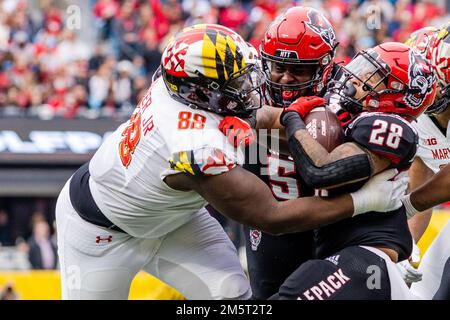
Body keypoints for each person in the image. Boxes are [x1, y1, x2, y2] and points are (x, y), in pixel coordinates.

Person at [55, 24, 407, 300]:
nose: (248, 85)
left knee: (232, 295)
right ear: (201, 93)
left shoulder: (179, 85)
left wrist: (290, 120)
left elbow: (259, 116)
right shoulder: (193, 145)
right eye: (235, 82)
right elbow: (272, 217)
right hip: (100, 233)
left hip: (175, 220)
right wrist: (363, 201)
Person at [273, 42, 437, 299]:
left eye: (372, 76)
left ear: (399, 95)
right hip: (344, 254)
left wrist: (292, 118)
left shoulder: (391, 125)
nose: (357, 78)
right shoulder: (354, 116)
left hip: (364, 259)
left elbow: (321, 170)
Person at [222, 6, 340, 300]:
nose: (286, 78)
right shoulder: (247, 89)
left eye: (298, 69)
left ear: (323, 67)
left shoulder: (343, 94)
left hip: (329, 224)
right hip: (269, 226)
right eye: (278, 67)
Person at [401, 23, 450, 300]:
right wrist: (405, 246)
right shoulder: (419, 120)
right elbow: (421, 187)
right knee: (420, 293)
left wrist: (409, 204)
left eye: (436, 84)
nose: (427, 91)